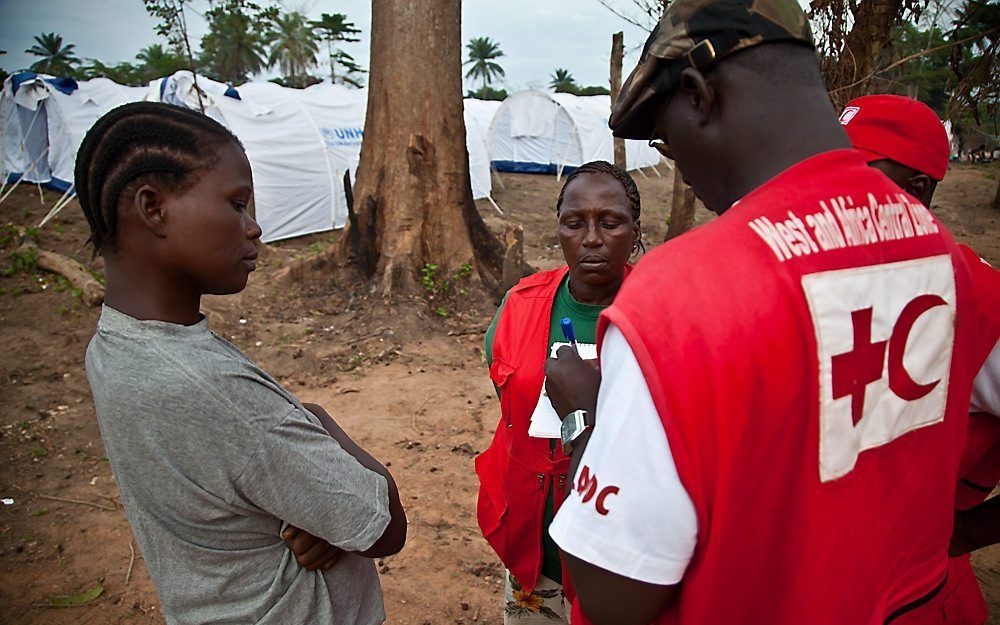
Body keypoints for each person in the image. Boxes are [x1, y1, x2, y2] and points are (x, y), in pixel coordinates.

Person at [539, 1, 1000, 623]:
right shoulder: (950, 260)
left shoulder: (679, 297)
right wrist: (964, 532)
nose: (679, 164)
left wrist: (583, 418)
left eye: (668, 139)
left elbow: (616, 595)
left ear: (700, 95)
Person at [76, 101, 406, 625]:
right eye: (236, 204)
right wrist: (318, 420)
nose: (253, 228)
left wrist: (311, 506)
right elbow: (384, 527)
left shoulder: (115, 345)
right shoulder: (216, 391)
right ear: (152, 207)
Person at [840, 93, 1000, 625]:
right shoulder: (816, 277)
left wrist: (968, 533)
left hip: (915, 595)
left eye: (853, 175)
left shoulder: (981, 301)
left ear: (914, 193)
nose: (824, 191)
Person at [476, 161, 642, 623]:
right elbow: (508, 403)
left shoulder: (659, 311)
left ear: (634, 229)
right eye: (575, 223)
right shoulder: (521, 305)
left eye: (609, 223)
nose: (591, 239)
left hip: (621, 556)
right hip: (534, 549)